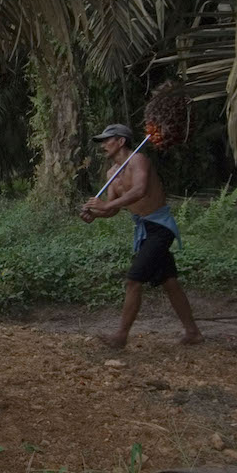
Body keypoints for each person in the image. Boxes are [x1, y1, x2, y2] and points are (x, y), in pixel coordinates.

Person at [78, 123, 202, 348]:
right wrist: (96, 214)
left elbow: (140, 190)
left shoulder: (138, 161)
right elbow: (113, 210)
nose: (103, 145)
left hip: (160, 227)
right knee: (169, 281)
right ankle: (193, 332)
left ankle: (120, 337)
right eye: (102, 141)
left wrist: (106, 205)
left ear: (121, 141)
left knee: (133, 279)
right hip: (144, 230)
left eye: (107, 140)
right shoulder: (111, 174)